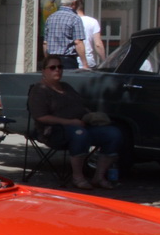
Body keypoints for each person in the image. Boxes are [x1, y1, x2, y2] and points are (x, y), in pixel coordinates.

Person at [28, 53, 123, 189]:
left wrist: (90, 116)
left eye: (60, 67)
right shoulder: (39, 90)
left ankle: (99, 177)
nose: (57, 70)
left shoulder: (66, 87)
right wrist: (70, 122)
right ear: (44, 71)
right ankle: (77, 177)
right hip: (55, 131)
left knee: (113, 134)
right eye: (52, 67)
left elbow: (80, 105)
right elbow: (40, 116)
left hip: (82, 125)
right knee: (79, 134)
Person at [43, 0, 87, 70]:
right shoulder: (75, 18)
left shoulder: (50, 18)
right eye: (79, 2)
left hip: (52, 60)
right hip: (68, 61)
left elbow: (45, 43)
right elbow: (78, 42)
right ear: (74, 3)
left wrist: (47, 61)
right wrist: (85, 64)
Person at [69, 0, 104, 67]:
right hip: (88, 60)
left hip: (72, 60)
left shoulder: (69, 21)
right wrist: (104, 61)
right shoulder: (92, 21)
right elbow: (98, 44)